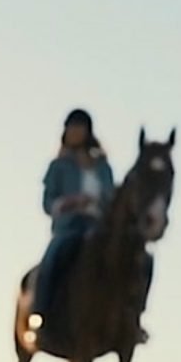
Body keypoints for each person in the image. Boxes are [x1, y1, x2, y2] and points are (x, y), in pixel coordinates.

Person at [30, 108, 113, 329]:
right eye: (72, 128)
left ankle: (130, 319)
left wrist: (98, 203)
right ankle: (40, 314)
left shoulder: (102, 167)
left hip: (99, 226)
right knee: (53, 255)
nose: (75, 132)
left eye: (79, 128)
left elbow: (111, 198)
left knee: (132, 258)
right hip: (70, 226)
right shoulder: (58, 166)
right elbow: (48, 202)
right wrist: (69, 203)